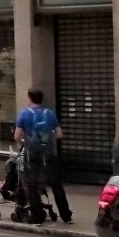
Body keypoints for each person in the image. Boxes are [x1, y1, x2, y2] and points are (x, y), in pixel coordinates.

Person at [14, 88, 72, 225]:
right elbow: (59, 134)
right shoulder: (49, 114)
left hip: (31, 154)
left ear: (29, 98)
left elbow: (17, 136)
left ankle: (37, 217)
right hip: (49, 154)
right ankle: (66, 216)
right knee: (56, 185)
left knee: (32, 185)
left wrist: (23, 141)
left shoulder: (24, 114)